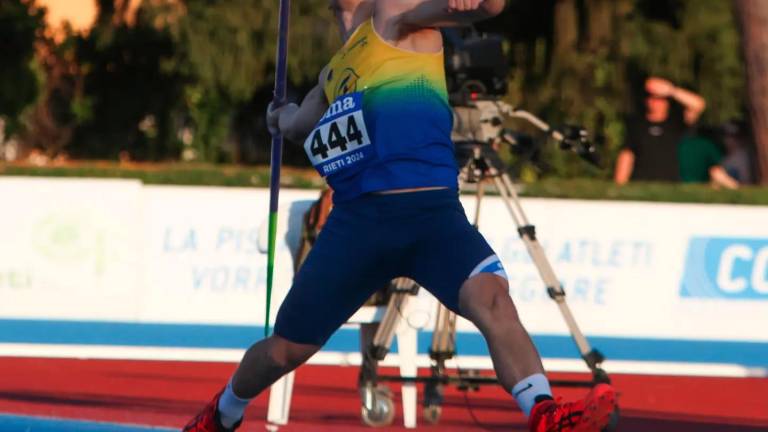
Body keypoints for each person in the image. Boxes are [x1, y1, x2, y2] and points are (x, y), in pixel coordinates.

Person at [184, 1, 617, 431]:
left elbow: (484, 10)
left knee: (493, 300)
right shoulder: (332, 75)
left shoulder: (393, 15)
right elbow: (298, 126)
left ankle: (544, 414)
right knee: (284, 350)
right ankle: (223, 414)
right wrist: (279, 116)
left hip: (432, 218)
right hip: (358, 227)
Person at [614, 76, 707, 184]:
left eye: (660, 99)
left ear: (667, 102)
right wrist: (619, 185)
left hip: (670, 184)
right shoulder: (637, 125)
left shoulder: (676, 123)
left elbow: (699, 105)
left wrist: (671, 90)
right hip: (641, 183)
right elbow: (627, 155)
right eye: (652, 98)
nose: (656, 102)